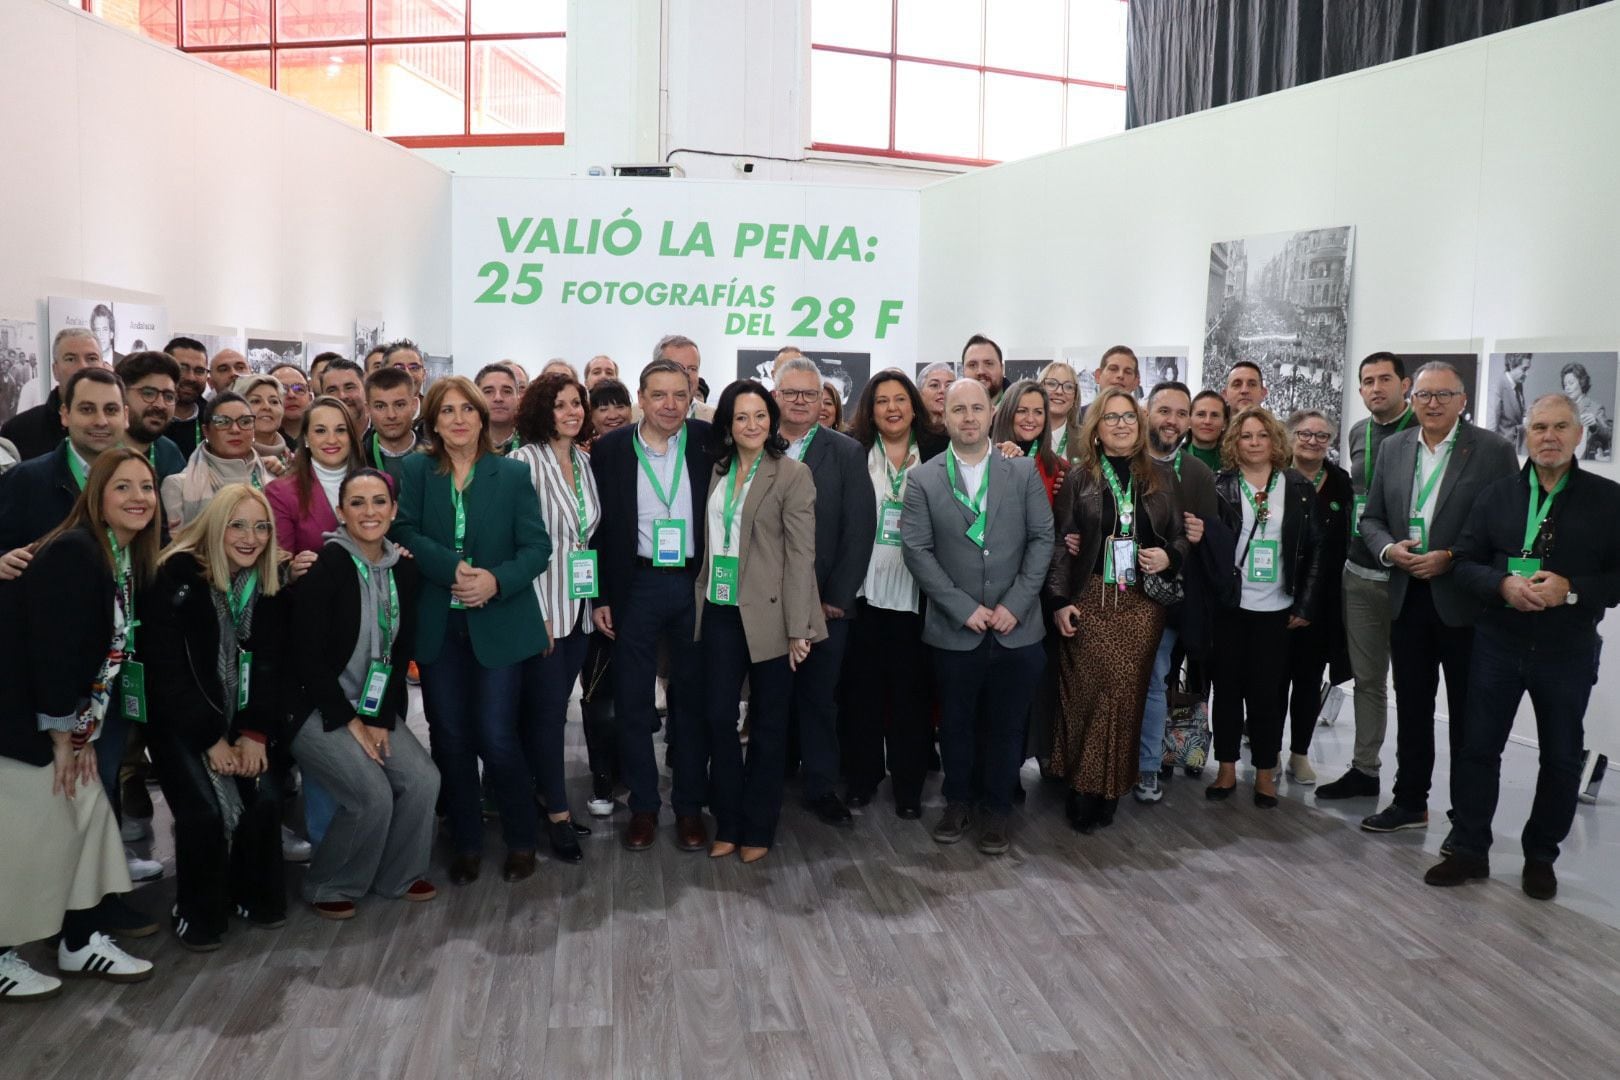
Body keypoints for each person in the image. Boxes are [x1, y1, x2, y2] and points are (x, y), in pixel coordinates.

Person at [1426, 393, 1620, 900]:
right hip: (1498, 641)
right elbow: (1465, 561)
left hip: (1568, 646)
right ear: (1524, 435)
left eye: (1559, 427)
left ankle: (1541, 856)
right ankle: (1469, 848)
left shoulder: (1609, 500)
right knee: (1478, 748)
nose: (1548, 437)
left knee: (1559, 756)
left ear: (1580, 435)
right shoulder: (1496, 496)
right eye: (1538, 428)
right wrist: (1501, 585)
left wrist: (1571, 588)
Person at [0, 449, 161, 997]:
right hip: (23, 724)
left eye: (147, 487)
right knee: (26, 839)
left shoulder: (116, 554)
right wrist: (62, 736)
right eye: (124, 488)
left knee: (89, 817)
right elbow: (50, 652)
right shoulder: (76, 552)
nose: (139, 497)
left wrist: (81, 732)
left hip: (63, 722)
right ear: (97, 496)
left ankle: (80, 939)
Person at [390, 376, 550, 885]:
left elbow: (537, 549)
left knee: (497, 736)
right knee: (450, 736)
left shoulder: (511, 474)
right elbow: (403, 528)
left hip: (500, 624)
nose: (458, 420)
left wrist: (494, 581)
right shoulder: (415, 469)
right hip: (440, 626)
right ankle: (466, 840)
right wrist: (454, 570)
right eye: (446, 412)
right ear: (433, 422)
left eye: (467, 410)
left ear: (483, 418)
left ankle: (522, 838)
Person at [1356, 363, 1518, 834]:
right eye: (1424, 395)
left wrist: (1451, 555)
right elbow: (1371, 518)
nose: (1431, 403)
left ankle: (1466, 816)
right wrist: (1390, 549)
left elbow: (1504, 529)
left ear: (1462, 400)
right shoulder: (1394, 448)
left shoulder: (1493, 450)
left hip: (1464, 601)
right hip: (1407, 596)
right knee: (1413, 706)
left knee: (1468, 716)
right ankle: (1410, 801)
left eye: (1443, 395)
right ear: (1412, 398)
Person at [901, 379, 1053, 855]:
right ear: (943, 418)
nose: (968, 417)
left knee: (1007, 726)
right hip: (954, 628)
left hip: (1017, 628)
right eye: (957, 409)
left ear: (992, 414)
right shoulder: (922, 479)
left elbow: (1042, 541)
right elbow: (917, 551)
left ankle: (996, 810)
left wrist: (1015, 605)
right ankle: (957, 801)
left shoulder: (1022, 472)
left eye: (977, 408)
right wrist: (963, 608)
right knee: (957, 725)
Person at [143, 483, 289, 950]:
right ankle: (196, 912)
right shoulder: (175, 576)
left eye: (261, 526)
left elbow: (270, 667)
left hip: (241, 720)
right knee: (205, 812)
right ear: (214, 526)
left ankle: (251, 895)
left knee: (265, 798)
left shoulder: (268, 583)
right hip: (180, 726)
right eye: (238, 525)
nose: (251, 537)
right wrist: (212, 739)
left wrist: (254, 734)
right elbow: (167, 676)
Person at [289, 469, 438, 919]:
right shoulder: (324, 566)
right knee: (371, 793)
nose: (369, 512)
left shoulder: (405, 568)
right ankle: (328, 882)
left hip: (369, 706)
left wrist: (376, 717)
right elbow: (306, 660)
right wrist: (351, 721)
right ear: (340, 512)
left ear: (393, 511)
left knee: (423, 779)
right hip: (313, 708)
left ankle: (398, 875)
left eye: (379, 502)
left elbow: (399, 651)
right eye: (357, 502)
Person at [1047, 387, 1186, 831]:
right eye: (1111, 418)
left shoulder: (1163, 477)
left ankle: (1106, 789)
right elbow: (1060, 544)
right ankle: (1079, 782)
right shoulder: (1080, 478)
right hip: (1089, 598)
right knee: (1084, 695)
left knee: (1123, 698)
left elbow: (1180, 537)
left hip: (1141, 605)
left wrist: (1169, 557)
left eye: (1129, 416)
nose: (1122, 424)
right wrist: (1059, 602)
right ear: (1096, 429)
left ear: (1140, 424)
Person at [589, 358, 714, 853]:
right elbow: (597, 529)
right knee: (634, 702)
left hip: (693, 584)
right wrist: (600, 594)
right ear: (640, 398)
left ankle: (688, 807)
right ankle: (644, 804)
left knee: (691, 700)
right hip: (634, 586)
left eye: (679, 395)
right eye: (658, 395)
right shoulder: (612, 449)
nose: (669, 404)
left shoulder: (707, 444)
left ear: (691, 398)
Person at [697, 382, 825, 863]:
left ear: (771, 420)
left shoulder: (792, 474)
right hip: (719, 609)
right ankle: (727, 820)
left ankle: (758, 826)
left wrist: (799, 627)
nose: (752, 425)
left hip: (772, 615)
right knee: (718, 719)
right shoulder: (718, 470)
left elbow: (801, 553)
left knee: (770, 726)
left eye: (759, 416)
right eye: (741, 417)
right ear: (727, 426)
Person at [772, 357, 875, 827]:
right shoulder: (758, 444)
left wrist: (839, 595)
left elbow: (860, 530)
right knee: (771, 697)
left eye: (808, 394)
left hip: (825, 604)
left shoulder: (847, 452)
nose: (799, 401)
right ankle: (768, 782)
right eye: (790, 393)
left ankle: (819, 786)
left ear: (823, 401)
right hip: (765, 601)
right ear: (775, 396)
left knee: (818, 698)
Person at [1207, 407, 1323, 808]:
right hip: (1231, 605)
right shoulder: (1219, 485)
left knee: (1267, 692)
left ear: (1275, 442)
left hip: (1277, 606)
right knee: (1226, 691)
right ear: (1233, 443)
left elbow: (1315, 552)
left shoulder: (1298, 487)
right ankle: (1224, 768)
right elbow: (1209, 548)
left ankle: (1264, 773)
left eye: (1261, 436)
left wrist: (1305, 603)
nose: (1254, 442)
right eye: (1245, 436)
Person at [841, 370, 945, 816]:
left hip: (918, 594)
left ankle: (908, 789)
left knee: (912, 699)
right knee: (861, 694)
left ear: (914, 405)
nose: (892, 408)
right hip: (863, 592)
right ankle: (863, 779)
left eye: (900, 399)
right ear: (870, 409)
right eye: (882, 401)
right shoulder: (854, 452)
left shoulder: (939, 453)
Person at [510, 372, 602, 863]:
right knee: (547, 719)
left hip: (580, 610)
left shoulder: (585, 463)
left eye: (577, 404)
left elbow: (583, 539)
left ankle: (543, 797)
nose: (571, 412)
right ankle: (558, 816)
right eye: (560, 405)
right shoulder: (522, 463)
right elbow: (517, 544)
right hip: (543, 612)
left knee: (554, 714)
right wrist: (537, 615)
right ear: (541, 410)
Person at [1318, 352, 1414, 801]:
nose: (1376, 388)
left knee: (1413, 683)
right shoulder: (1359, 432)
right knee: (1369, 679)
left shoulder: (1422, 432)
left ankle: (1413, 786)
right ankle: (1365, 768)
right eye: (1368, 381)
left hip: (1411, 575)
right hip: (1360, 571)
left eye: (1385, 379)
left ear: (1405, 384)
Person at [1135, 381, 1223, 803]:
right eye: (1164, 410)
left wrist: (1202, 535)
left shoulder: (1197, 473)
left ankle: (1147, 767)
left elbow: (1208, 543)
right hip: (1115, 596)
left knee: (1154, 681)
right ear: (1146, 411)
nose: (1172, 421)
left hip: (1167, 601)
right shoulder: (1124, 459)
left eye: (1181, 413)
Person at [1279, 409, 1353, 784]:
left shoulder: (1341, 483)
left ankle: (1300, 754)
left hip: (1322, 603)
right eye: (1305, 434)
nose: (1313, 441)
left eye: (1322, 436)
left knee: (1309, 682)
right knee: (1272, 682)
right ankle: (1268, 752)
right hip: (1277, 595)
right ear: (1291, 437)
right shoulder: (1275, 477)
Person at [267, 397, 367, 572]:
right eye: (321, 431)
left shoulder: (381, 483)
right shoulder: (280, 493)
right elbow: (279, 567)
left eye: (340, 430)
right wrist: (291, 572)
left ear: (351, 436)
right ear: (305, 437)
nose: (331, 439)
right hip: (314, 594)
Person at [161, 392, 272, 533]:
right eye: (222, 422)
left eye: (245, 422)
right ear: (206, 431)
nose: (235, 430)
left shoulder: (273, 478)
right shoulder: (178, 486)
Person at [1, 327, 104, 461]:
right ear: (55, 370)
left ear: (103, 366)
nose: (83, 367)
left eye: (91, 358)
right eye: (71, 359)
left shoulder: (119, 429)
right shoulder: (18, 431)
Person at [114, 351, 187, 487]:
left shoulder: (169, 453)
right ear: (121, 395)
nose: (160, 405)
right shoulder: (98, 449)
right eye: (148, 393)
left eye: (169, 396)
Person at [990, 379, 1067, 503]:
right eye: (1022, 411)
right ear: (1007, 413)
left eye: (1038, 412)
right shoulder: (987, 460)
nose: (1030, 419)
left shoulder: (1060, 469)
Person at [363, 366, 419, 483]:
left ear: (414, 405)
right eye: (380, 406)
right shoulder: (356, 459)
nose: (391, 415)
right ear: (367, 409)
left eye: (399, 405)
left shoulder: (437, 458)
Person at [163, 336, 212, 459]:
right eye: (182, 368)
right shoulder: (147, 417)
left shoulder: (213, 418)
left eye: (199, 370)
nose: (191, 377)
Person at [652, 334, 715, 422]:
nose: (686, 375)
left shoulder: (714, 418)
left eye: (692, 369)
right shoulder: (633, 415)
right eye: (677, 367)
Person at [237, 375, 290, 475]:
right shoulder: (224, 457)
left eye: (274, 401)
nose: (267, 407)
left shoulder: (296, 461)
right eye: (256, 401)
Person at [1560, 361, 1612, 460]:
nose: (1567, 388)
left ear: (1581, 382)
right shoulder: (1561, 408)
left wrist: (1595, 425)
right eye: (1565, 384)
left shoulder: (1595, 408)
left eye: (1571, 383)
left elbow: (1609, 436)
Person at [1038, 362, 1082, 464]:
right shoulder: (1022, 433)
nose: (1059, 391)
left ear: (1075, 398)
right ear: (1039, 389)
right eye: (1051, 384)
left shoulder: (1086, 440)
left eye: (1068, 387)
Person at [477, 362, 523, 454]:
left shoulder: (537, 445)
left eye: (506, 391)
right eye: (488, 391)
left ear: (518, 398)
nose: (498, 398)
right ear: (476, 398)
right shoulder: (465, 446)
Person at [1492, 352, 1532, 453]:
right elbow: (1491, 428)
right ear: (1511, 365)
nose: (1527, 374)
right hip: (1501, 450)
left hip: (1515, 448)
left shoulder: (1518, 385)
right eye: (1524, 369)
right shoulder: (1498, 386)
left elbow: (1521, 414)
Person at [269, 363, 311, 453]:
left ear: (310, 398)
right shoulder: (259, 442)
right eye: (282, 389)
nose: (291, 395)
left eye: (299, 389)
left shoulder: (323, 436)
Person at [1185, 390, 1229, 473]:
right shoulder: (1173, 458)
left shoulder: (1233, 462)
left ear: (1224, 424)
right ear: (1189, 420)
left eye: (1215, 415)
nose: (1207, 421)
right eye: (1201, 414)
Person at [319, 360, 370, 431]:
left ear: (365, 390)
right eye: (332, 390)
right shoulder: (313, 439)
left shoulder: (385, 433)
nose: (342, 396)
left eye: (349, 388)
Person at [587, 377, 632, 449]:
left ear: (630, 410)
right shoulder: (585, 455)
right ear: (591, 415)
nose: (613, 416)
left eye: (620, 407)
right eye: (603, 409)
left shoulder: (646, 444)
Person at [961, 334, 1007, 403]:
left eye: (989, 364)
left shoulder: (1019, 406)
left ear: (1002, 369)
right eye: (972, 365)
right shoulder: (950, 409)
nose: (981, 371)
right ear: (963, 371)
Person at [917, 362, 956, 431]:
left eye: (949, 386)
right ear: (920, 393)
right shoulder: (909, 429)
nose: (943, 390)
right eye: (934, 385)